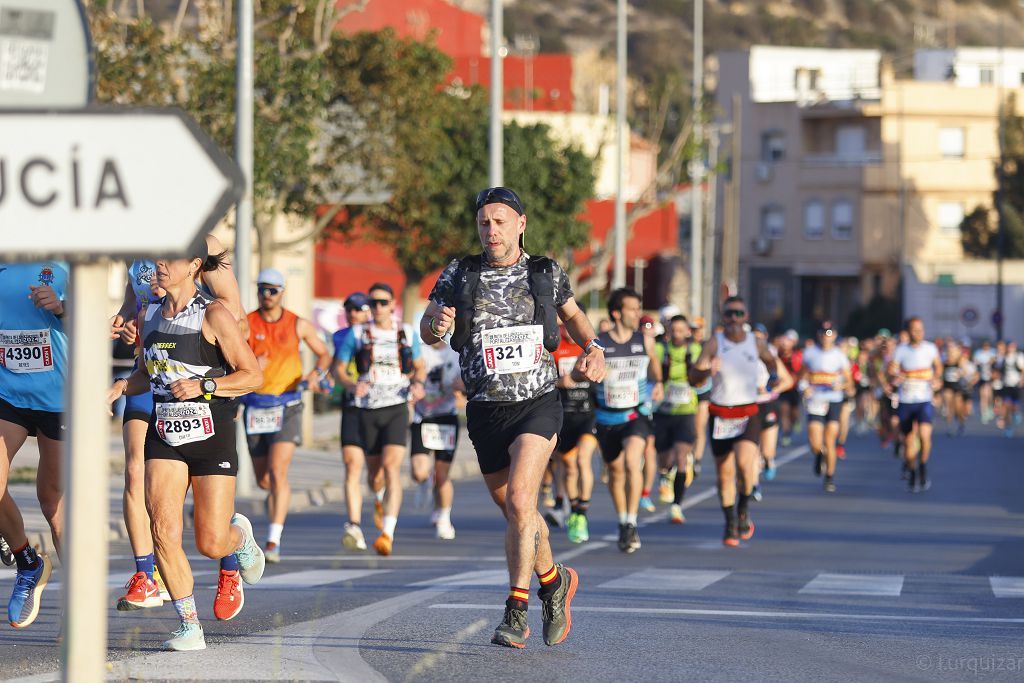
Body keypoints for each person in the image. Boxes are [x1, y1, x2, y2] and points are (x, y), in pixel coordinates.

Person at [420, 187, 605, 649]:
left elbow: (575, 316)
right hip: (484, 409)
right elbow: (428, 328)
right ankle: (554, 580)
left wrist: (593, 348)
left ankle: (516, 610)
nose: (491, 230)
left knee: (523, 501)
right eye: (485, 222)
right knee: (516, 512)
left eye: (500, 221)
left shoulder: (545, 272)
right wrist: (435, 326)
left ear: (520, 224)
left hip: (537, 403)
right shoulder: (460, 273)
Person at [107, 251, 265, 651]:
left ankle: (240, 539)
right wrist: (121, 387)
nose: (160, 265)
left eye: (171, 259)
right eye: (158, 259)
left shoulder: (213, 315)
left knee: (211, 542)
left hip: (211, 433)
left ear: (195, 265)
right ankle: (189, 625)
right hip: (165, 434)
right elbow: (148, 371)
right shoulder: (151, 315)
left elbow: (253, 375)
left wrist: (206, 387)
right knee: (163, 528)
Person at [244, 268, 333, 563]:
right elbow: (231, 357)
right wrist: (250, 364)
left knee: (278, 472)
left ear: (282, 292)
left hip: (288, 404)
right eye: (262, 290)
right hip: (256, 406)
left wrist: (314, 375)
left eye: (272, 290)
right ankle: (276, 510)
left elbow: (324, 354)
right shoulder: (246, 324)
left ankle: (273, 540)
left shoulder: (298, 324)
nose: (266, 295)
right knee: (264, 480)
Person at [0, 262, 68, 629]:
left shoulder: (66, 264)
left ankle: (79, 597)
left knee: (52, 503)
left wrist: (61, 308)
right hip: (8, 395)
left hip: (58, 400)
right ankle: (28, 562)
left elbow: (94, 329)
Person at [336, 283, 425, 556]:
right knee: (373, 475)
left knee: (390, 468)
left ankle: (387, 531)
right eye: (372, 303)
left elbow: (420, 367)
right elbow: (339, 368)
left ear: (392, 304)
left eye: (382, 302)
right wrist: (352, 385)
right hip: (363, 408)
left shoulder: (406, 333)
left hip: (395, 407)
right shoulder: (357, 333)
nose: (377, 308)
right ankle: (369, 507)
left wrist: (418, 384)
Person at [689, 297, 778, 546]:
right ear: (723, 317)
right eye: (729, 314)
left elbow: (772, 364)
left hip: (748, 412)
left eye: (739, 314)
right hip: (720, 414)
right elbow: (693, 378)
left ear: (746, 316)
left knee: (744, 465)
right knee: (724, 474)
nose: (734, 320)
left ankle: (743, 509)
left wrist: (772, 378)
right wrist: (708, 371)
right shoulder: (714, 343)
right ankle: (729, 522)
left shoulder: (756, 342)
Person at [589, 289, 663, 551]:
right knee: (617, 471)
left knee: (633, 462)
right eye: (632, 309)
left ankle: (632, 521)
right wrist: (588, 372)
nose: (637, 313)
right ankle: (623, 521)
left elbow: (653, 364)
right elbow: (583, 369)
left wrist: (659, 382)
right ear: (617, 313)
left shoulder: (645, 340)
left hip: (636, 413)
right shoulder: (599, 343)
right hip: (607, 417)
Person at [332, 292, 376, 551]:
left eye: (359, 309)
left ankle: (379, 496)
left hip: (379, 408)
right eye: (349, 309)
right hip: (352, 406)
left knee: (377, 474)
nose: (353, 314)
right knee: (352, 465)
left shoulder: (379, 336)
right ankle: (354, 524)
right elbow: (334, 366)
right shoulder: (339, 337)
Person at [410, 335, 464, 541]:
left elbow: (468, 385)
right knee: (419, 471)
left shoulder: (456, 352)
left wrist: (462, 386)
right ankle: (425, 482)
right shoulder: (420, 352)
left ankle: (444, 517)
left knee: (442, 475)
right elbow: (409, 373)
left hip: (446, 417)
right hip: (422, 416)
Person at [551, 324, 597, 543]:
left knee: (583, 461)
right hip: (564, 415)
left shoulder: (591, 350)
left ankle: (582, 511)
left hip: (587, 415)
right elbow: (543, 381)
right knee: (569, 467)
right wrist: (562, 382)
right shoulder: (554, 348)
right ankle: (574, 508)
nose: (570, 330)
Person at [888, 317, 942, 493]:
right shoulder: (901, 350)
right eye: (914, 330)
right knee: (909, 441)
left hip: (924, 399)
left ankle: (923, 466)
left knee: (926, 436)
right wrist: (895, 376)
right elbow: (892, 369)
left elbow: (938, 367)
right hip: (906, 400)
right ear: (908, 332)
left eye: (921, 329)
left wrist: (936, 379)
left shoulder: (930, 348)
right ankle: (912, 471)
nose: (918, 333)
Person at [653, 315, 699, 524]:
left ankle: (677, 506)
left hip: (686, 410)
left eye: (682, 330)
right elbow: (651, 371)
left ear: (688, 332)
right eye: (675, 330)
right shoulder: (661, 350)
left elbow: (702, 375)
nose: (678, 334)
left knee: (681, 457)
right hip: (663, 410)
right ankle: (666, 472)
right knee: (664, 459)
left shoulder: (695, 350)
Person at [800, 324, 853, 493]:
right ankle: (819, 454)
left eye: (829, 333)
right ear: (818, 334)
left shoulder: (839, 355)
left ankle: (829, 477)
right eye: (823, 333)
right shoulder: (810, 353)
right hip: (815, 400)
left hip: (833, 400)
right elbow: (802, 377)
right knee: (815, 442)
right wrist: (804, 387)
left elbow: (849, 380)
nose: (825, 336)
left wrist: (842, 386)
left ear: (834, 335)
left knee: (830, 439)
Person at [689, 317, 711, 479]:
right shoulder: (686, 345)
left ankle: (696, 458)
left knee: (699, 427)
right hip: (687, 390)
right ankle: (688, 454)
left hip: (703, 391)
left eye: (699, 329)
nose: (696, 333)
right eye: (693, 329)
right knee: (688, 426)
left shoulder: (708, 346)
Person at [776, 330, 803, 446]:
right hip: (783, 389)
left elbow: (800, 371)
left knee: (794, 411)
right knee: (784, 411)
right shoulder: (777, 355)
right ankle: (786, 434)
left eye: (787, 342)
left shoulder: (797, 355)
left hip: (794, 388)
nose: (785, 345)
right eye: (783, 342)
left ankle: (796, 421)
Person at [973, 340, 997, 424]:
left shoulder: (993, 352)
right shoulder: (978, 353)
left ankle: (990, 408)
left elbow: (995, 362)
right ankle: (984, 413)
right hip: (982, 377)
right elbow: (975, 364)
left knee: (989, 395)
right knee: (983, 396)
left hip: (990, 378)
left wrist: (991, 362)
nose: (986, 347)